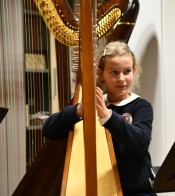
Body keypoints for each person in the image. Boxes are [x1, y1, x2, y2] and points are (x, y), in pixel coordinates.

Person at [42, 41, 156, 196]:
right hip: (100, 187)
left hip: (136, 190)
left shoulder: (141, 106)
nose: (121, 78)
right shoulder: (93, 105)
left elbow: (140, 141)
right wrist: (78, 110)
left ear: (134, 71)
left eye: (127, 71)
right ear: (101, 74)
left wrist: (108, 117)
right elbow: (49, 130)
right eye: (114, 72)